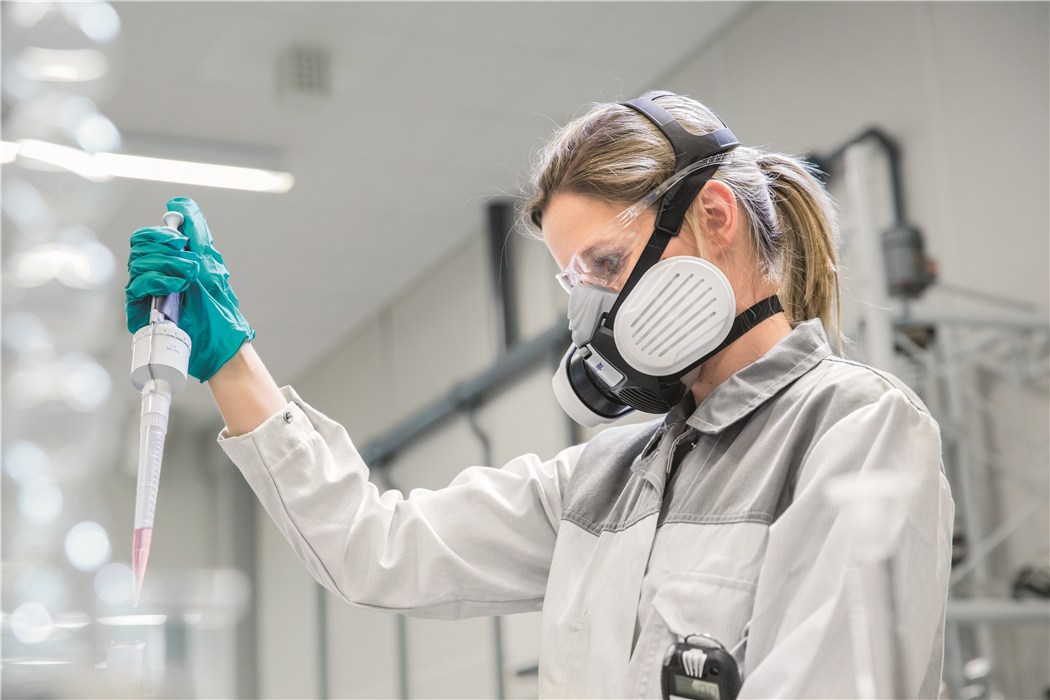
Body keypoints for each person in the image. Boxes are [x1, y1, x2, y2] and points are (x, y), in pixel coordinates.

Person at [125, 91, 954, 698]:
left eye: (606, 264)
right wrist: (229, 361)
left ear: (714, 215)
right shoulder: (606, 478)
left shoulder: (853, 429)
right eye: (575, 281)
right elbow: (375, 546)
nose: (594, 309)